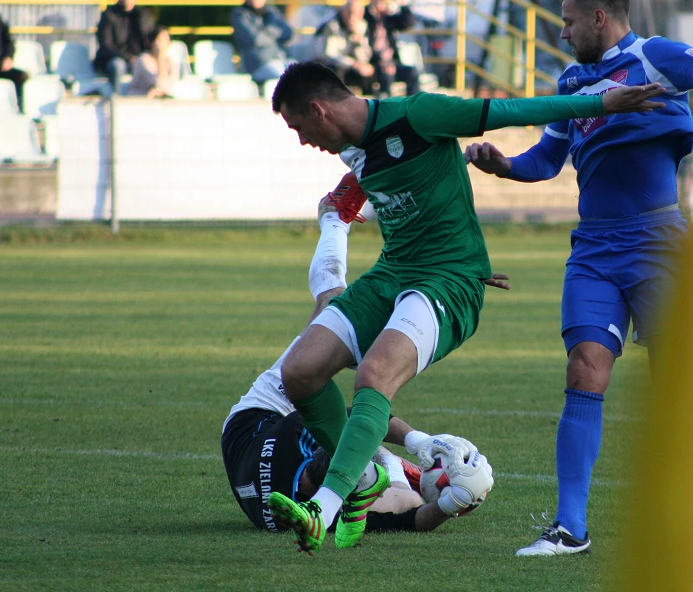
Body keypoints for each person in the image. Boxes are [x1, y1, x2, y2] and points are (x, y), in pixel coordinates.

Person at [264, 60, 665, 554]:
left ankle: (325, 506)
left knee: (375, 376)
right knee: (299, 372)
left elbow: (515, 109)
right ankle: (362, 477)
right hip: (395, 273)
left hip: (446, 281)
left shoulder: (419, 115)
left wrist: (601, 103)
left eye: (297, 127)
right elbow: (380, 195)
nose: (302, 140)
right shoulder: (353, 150)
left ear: (317, 109)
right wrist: (334, 211)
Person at [462, 0, 693, 557]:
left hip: (656, 241)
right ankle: (570, 529)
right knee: (585, 370)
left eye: (566, 21)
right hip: (593, 249)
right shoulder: (570, 81)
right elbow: (547, 158)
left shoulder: (653, 56)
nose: (560, 32)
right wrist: (502, 166)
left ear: (597, 18)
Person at [223, 188, 496, 537]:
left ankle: (334, 217)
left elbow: (353, 418)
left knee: (333, 304)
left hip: (256, 417)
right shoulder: (322, 511)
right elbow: (411, 518)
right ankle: (436, 276)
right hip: (269, 456)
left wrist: (417, 443)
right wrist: (447, 506)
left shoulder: (295, 442)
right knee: (373, 348)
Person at [93, 0, 155, 91]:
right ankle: (116, 99)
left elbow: (151, 40)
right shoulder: (108, 15)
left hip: (139, 59)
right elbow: (106, 45)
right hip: (115, 58)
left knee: (152, 63)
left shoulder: (144, 15)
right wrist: (128, 58)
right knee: (118, 65)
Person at [231, 0, 295, 83]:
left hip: (282, 60)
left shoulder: (272, 12)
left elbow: (288, 33)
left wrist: (266, 32)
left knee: (304, 75)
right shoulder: (240, 15)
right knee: (284, 78)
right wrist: (276, 32)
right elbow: (256, 39)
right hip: (259, 65)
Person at [364, 0, 418, 98]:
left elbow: (409, 22)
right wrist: (374, 8)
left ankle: (412, 106)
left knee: (412, 72)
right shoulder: (365, 16)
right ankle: (386, 107)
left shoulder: (388, 19)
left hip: (391, 61)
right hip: (372, 62)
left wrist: (399, 0)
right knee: (385, 73)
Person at [314, 0, 377, 95]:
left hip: (354, 66)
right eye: (349, 12)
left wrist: (359, 42)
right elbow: (330, 55)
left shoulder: (363, 27)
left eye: (356, 13)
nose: (352, 17)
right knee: (336, 71)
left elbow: (366, 57)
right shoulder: (332, 26)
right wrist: (353, 64)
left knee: (370, 72)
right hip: (333, 65)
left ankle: (369, 105)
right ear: (343, 12)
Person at [126, 25, 179, 98]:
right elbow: (157, 83)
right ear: (152, 42)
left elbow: (170, 85)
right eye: (160, 40)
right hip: (139, 98)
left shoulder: (171, 61)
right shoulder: (143, 60)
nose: (162, 44)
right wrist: (161, 57)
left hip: (158, 98)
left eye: (166, 40)